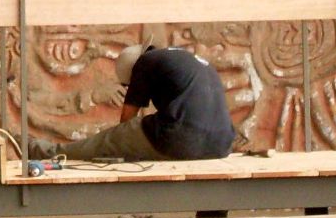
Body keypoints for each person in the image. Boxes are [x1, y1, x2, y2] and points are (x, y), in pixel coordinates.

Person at [28, 44, 236, 163]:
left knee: (112, 139)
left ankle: (42, 151)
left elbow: (127, 118)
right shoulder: (187, 59)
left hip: (180, 139)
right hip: (222, 144)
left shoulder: (145, 63)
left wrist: (117, 144)